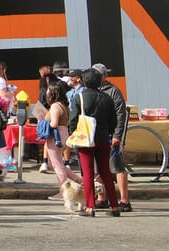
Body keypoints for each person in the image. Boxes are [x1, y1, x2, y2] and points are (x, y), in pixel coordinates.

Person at [68, 66, 121, 216]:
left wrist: (74, 134)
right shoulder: (107, 98)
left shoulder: (80, 97)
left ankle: (90, 206)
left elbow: (73, 120)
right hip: (103, 137)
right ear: (100, 82)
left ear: (84, 82)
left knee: (88, 173)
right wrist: (108, 133)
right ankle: (114, 207)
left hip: (86, 138)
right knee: (105, 173)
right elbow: (113, 122)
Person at [92, 63, 132, 213]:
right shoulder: (92, 90)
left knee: (117, 166)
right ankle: (102, 198)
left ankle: (124, 200)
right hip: (97, 135)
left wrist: (118, 134)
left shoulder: (113, 91)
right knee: (99, 167)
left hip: (111, 135)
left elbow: (121, 114)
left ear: (105, 76)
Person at [41, 78, 82, 200]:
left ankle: (63, 191)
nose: (47, 92)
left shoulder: (55, 106)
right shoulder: (64, 105)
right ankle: (78, 179)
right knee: (56, 164)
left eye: (48, 90)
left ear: (53, 92)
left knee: (57, 165)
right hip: (64, 134)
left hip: (55, 136)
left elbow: (53, 123)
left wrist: (42, 122)